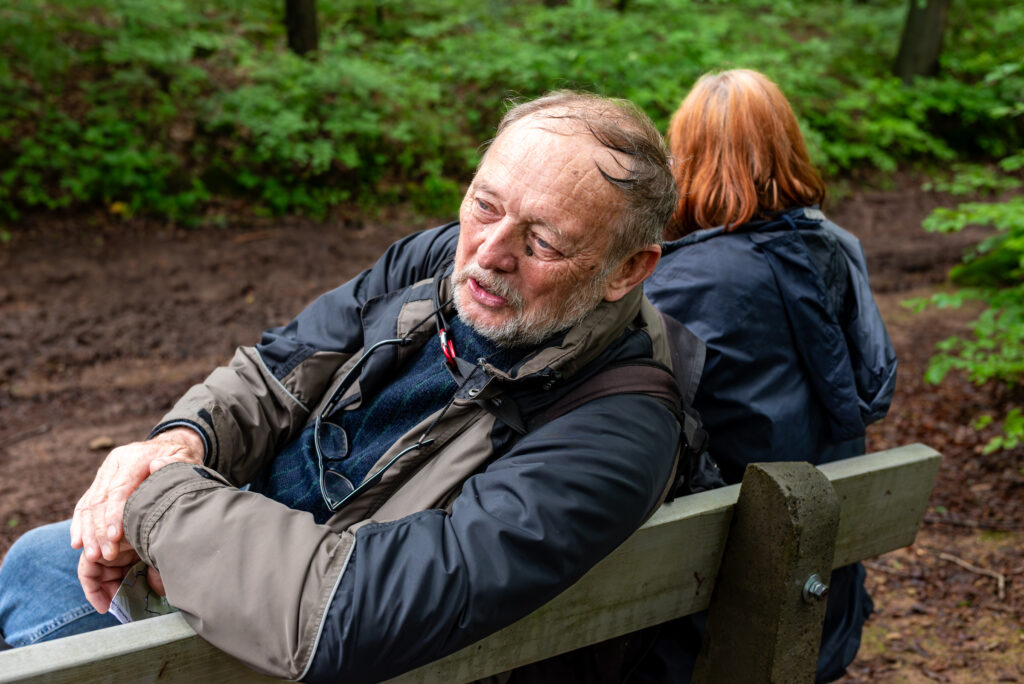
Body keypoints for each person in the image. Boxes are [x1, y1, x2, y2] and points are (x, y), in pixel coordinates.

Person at [0, 91, 689, 683]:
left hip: (328, 640)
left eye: (543, 243)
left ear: (628, 269)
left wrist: (155, 507)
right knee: (39, 562)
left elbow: (354, 609)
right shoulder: (431, 263)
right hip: (239, 553)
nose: (489, 251)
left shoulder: (616, 428)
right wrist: (181, 443)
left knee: (39, 585)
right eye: (485, 205)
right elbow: (277, 369)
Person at [640, 69, 898, 682]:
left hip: (706, 610)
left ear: (686, 157)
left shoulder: (678, 281)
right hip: (824, 595)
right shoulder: (837, 248)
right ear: (787, 146)